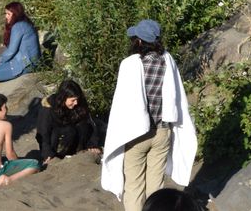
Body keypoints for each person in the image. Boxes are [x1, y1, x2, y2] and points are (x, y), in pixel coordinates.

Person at [102, 20, 196, 211]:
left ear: (139, 41)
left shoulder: (129, 64)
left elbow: (122, 104)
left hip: (136, 135)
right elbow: (176, 95)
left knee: (134, 186)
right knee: (156, 187)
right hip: (162, 132)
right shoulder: (167, 59)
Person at [37, 80, 101, 165]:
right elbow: (43, 133)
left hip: (74, 142)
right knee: (67, 130)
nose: (76, 103)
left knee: (83, 125)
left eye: (77, 99)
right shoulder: (48, 109)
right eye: (73, 100)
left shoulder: (78, 104)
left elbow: (91, 124)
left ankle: (81, 150)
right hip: (57, 142)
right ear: (63, 98)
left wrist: (93, 144)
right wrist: (47, 153)